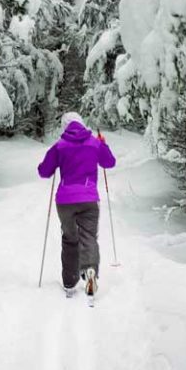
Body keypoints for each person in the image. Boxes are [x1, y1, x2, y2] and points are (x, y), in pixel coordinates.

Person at [37, 112, 116, 298]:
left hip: (65, 201)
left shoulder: (60, 146)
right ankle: (90, 273)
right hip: (89, 199)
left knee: (70, 238)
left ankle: (70, 282)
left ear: (65, 127)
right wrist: (103, 144)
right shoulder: (94, 143)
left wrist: (56, 161)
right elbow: (109, 162)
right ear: (81, 124)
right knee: (88, 237)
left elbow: (43, 171)